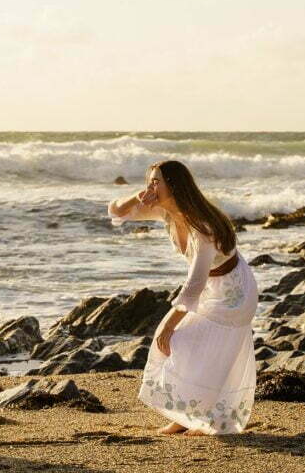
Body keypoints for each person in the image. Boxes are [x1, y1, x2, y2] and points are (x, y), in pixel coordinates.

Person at [108, 160, 258, 436]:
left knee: (181, 340)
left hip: (235, 293)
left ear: (174, 186)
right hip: (212, 288)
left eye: (156, 182)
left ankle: (201, 418)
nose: (151, 187)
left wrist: (168, 324)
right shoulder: (165, 212)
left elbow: (194, 284)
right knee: (179, 344)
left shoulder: (202, 226)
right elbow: (116, 210)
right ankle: (186, 416)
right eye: (150, 181)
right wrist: (138, 196)